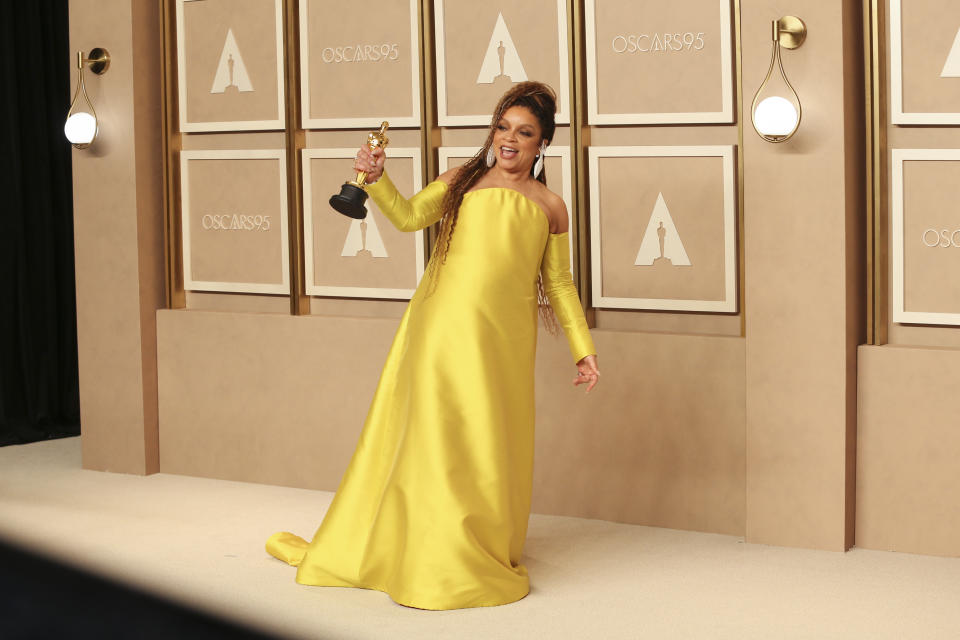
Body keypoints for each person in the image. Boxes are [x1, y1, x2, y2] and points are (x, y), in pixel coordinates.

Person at [265, 81, 601, 610]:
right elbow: (407, 217)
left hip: (505, 345)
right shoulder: (460, 181)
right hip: (442, 329)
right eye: (503, 127)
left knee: (489, 443)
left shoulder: (550, 206)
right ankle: (430, 553)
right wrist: (376, 180)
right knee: (440, 438)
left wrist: (583, 349)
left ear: (542, 144)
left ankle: (476, 545)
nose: (509, 139)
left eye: (525, 132)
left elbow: (558, 284)